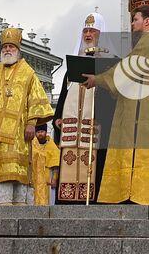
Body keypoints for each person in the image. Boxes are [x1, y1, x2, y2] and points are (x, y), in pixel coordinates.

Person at [84, 5, 149, 204]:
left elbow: (128, 68)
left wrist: (98, 79)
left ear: (147, 21)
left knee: (137, 152)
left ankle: (137, 194)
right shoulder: (147, 43)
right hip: (136, 106)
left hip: (142, 112)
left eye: (135, 19)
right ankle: (129, 193)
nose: (132, 24)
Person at [0, 27, 54, 205]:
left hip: (18, 135)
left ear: (18, 50)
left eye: (11, 47)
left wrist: (31, 123)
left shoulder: (28, 73)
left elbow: (36, 100)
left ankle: (15, 202)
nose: (7, 50)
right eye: (5, 47)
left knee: (15, 169)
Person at [53, 11, 117, 203]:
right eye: (85, 31)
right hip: (71, 133)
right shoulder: (73, 66)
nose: (88, 35)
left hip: (95, 130)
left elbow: (112, 97)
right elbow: (63, 96)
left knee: (95, 174)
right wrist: (57, 118)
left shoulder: (109, 64)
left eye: (92, 31)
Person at [31, 125, 61, 205]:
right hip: (34, 175)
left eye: (42, 132)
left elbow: (55, 165)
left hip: (48, 176)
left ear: (46, 132)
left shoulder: (52, 145)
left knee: (49, 200)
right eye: (38, 132)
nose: (40, 134)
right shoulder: (32, 145)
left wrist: (54, 179)